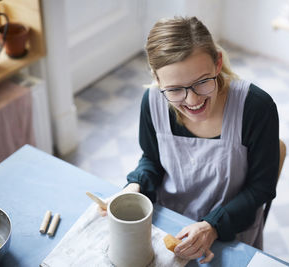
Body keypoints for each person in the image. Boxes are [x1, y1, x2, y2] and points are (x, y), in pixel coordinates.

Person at [100, 16, 279, 264]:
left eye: (202, 82)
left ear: (217, 63)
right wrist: (135, 188)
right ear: (157, 78)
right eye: (175, 89)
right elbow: (152, 160)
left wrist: (212, 226)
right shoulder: (152, 101)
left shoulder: (256, 107)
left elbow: (261, 188)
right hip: (169, 223)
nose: (193, 101)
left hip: (230, 231)